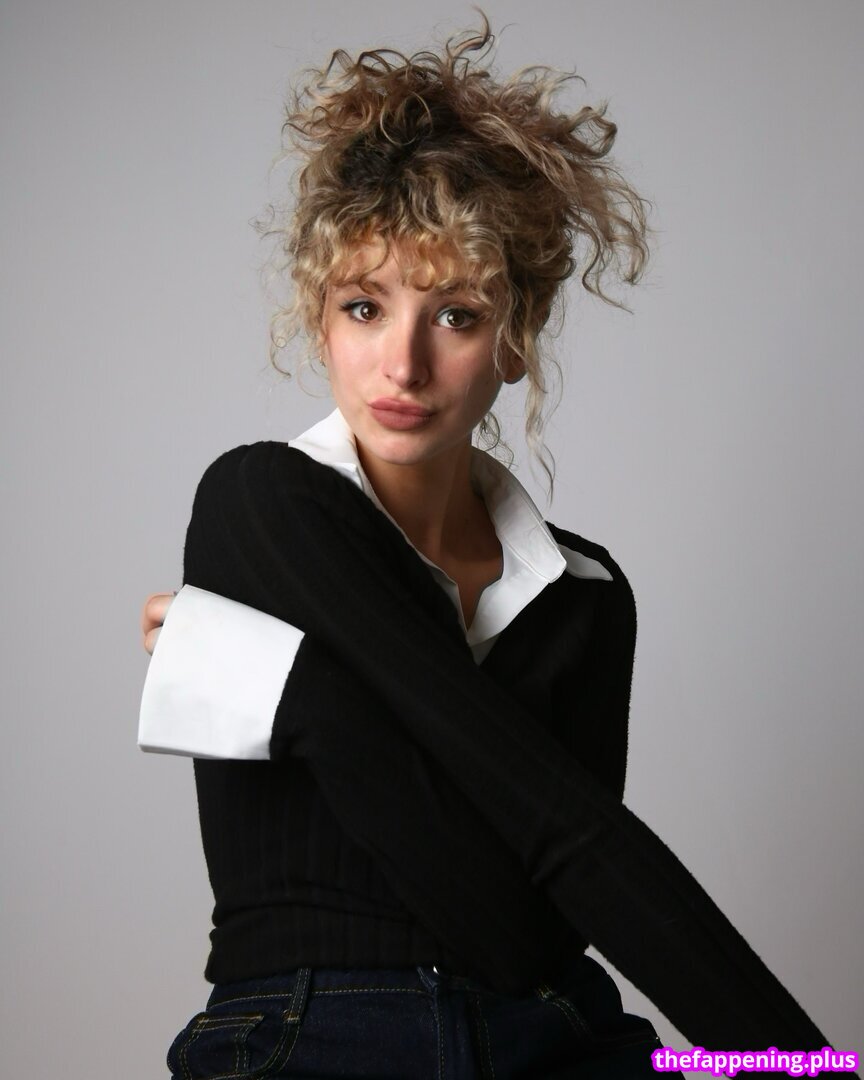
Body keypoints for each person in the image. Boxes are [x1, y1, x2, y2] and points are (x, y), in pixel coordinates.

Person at [137, 17, 855, 1080]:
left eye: (457, 316)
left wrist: (809, 1069)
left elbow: (530, 928)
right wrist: (313, 701)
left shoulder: (585, 593)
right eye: (365, 307)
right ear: (320, 321)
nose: (403, 364)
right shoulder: (264, 502)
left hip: (556, 1029)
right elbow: (533, 875)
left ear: (515, 340)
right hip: (311, 1023)